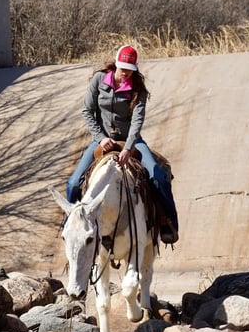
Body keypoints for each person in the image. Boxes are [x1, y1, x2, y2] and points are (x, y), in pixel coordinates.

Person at [66, 45, 179, 244]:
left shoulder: (138, 89)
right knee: (74, 183)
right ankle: (71, 223)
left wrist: (128, 147)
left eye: (129, 69)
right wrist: (100, 137)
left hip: (131, 140)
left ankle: (167, 223)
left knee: (157, 175)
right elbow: (87, 111)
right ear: (115, 65)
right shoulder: (99, 80)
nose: (125, 73)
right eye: (122, 68)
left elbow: (137, 121)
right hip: (102, 140)